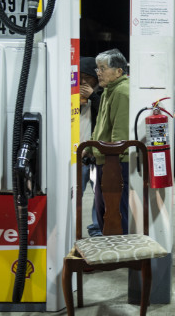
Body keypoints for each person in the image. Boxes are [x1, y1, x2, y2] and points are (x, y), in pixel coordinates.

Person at [83, 49, 130, 233]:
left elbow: (120, 134)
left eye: (103, 68)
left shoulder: (122, 92)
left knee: (116, 212)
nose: (98, 72)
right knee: (104, 210)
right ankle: (109, 248)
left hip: (116, 162)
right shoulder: (108, 91)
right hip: (104, 159)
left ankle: (119, 252)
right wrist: (91, 145)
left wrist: (109, 157)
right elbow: (100, 126)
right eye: (98, 68)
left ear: (118, 71)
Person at [79, 57, 103, 236]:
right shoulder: (71, 92)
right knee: (75, 193)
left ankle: (96, 228)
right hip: (77, 153)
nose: (82, 81)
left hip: (95, 153)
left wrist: (92, 96)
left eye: (86, 76)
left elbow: (104, 113)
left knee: (98, 195)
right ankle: (72, 225)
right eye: (79, 76)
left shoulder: (102, 93)